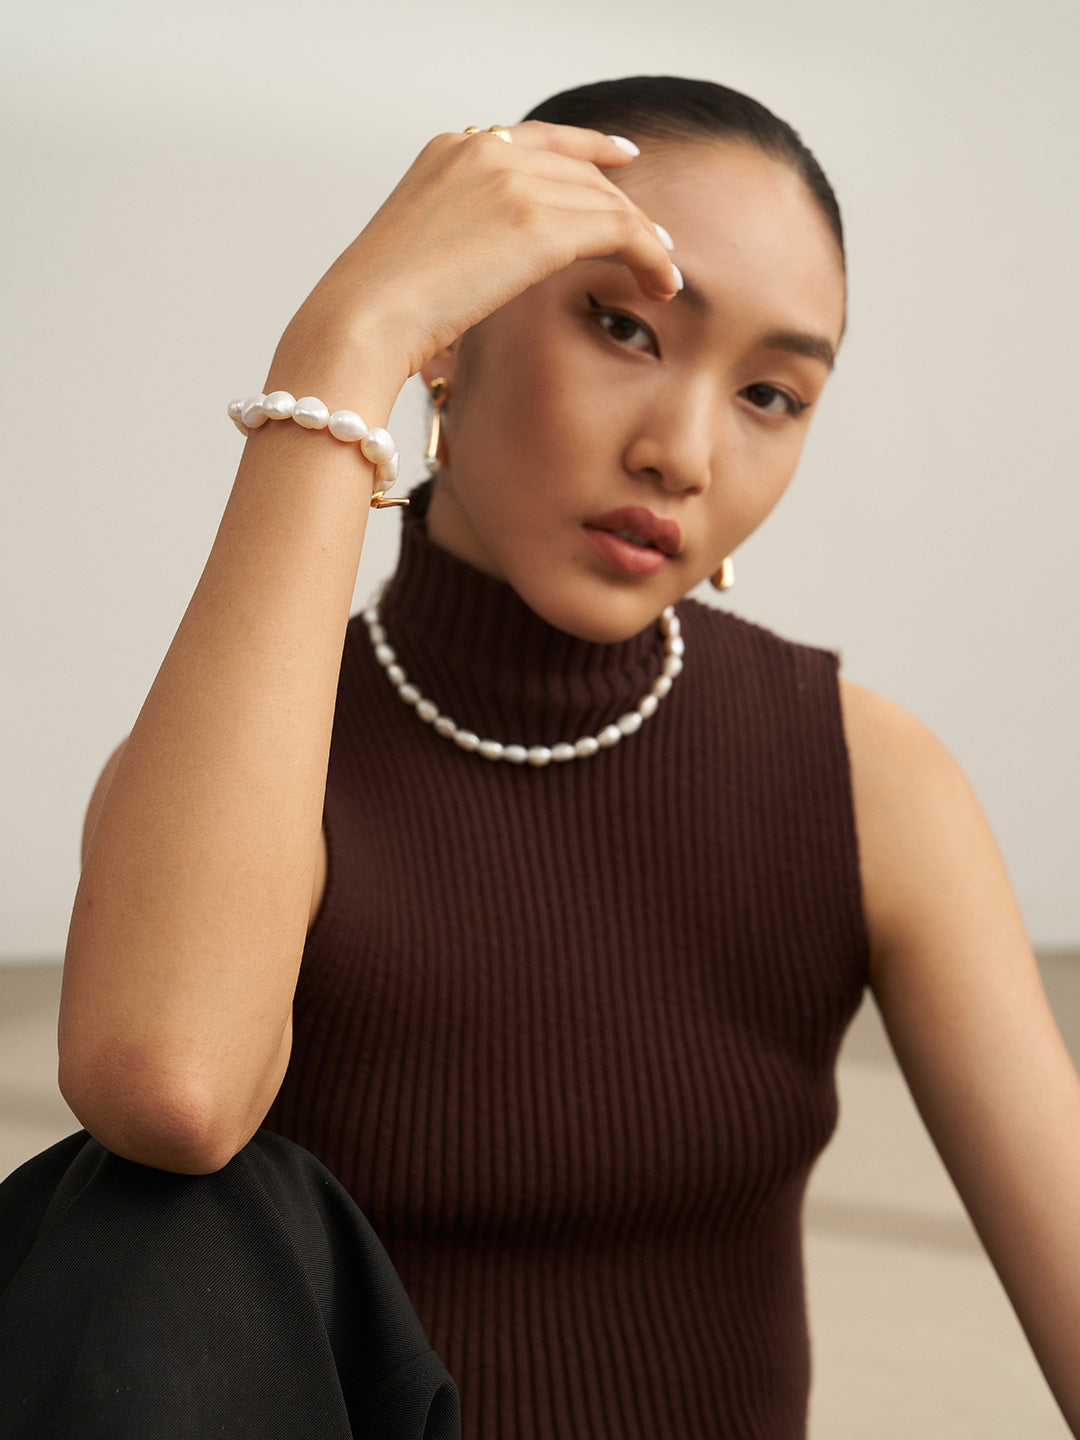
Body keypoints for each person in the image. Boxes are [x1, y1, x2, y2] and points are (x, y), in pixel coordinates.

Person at [4, 75, 1079, 1438]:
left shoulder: (862, 778)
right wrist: (348, 342)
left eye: (770, 394)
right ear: (455, 330)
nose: (682, 453)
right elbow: (166, 1089)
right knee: (143, 1225)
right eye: (622, 325)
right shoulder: (244, 770)